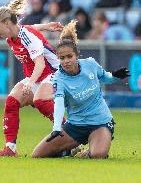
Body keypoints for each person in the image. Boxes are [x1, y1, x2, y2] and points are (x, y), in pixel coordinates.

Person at [32, 20, 130, 158]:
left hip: (100, 122)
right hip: (75, 126)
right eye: (62, 58)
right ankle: (70, 151)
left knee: (98, 154)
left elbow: (105, 77)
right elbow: (59, 103)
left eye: (69, 56)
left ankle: (91, 149)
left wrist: (115, 76)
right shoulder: (58, 78)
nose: (66, 61)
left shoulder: (90, 64)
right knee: (38, 155)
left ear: (77, 55)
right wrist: (56, 128)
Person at [0, 0, 66, 157]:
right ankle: (10, 149)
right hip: (39, 76)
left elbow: (40, 63)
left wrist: (29, 84)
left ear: (7, 23)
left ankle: (71, 140)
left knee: (40, 100)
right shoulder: (12, 35)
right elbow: (29, 27)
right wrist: (46, 26)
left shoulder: (27, 36)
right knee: (11, 102)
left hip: (54, 72)